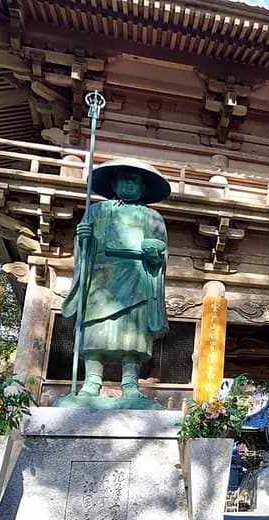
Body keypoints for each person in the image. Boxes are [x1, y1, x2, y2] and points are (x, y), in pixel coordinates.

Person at [58, 158, 170, 407]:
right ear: (114, 183)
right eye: (124, 178)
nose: (129, 184)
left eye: (135, 180)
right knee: (96, 329)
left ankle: (130, 384)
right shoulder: (96, 211)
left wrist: (155, 254)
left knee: (133, 335)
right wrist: (83, 239)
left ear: (143, 188)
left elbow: (161, 252)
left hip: (136, 279)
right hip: (101, 278)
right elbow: (83, 246)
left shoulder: (152, 217)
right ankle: (91, 383)